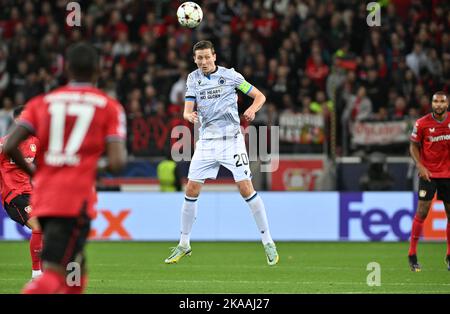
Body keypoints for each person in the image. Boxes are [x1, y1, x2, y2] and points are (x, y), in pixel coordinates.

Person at [3, 42, 127, 293]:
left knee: (76, 269)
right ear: (98, 70)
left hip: (44, 194)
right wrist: (85, 165)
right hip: (75, 199)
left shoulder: (42, 103)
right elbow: (117, 163)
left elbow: (10, 144)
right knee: (55, 274)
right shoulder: (109, 106)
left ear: (67, 69)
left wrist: (38, 172)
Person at [164, 40, 279, 266]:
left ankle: (268, 241)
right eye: (199, 58)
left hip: (231, 141)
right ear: (194, 59)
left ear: (214, 56)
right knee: (191, 187)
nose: (204, 62)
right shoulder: (192, 79)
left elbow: (260, 96)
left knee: (246, 188)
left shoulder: (231, 76)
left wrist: (252, 109)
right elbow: (188, 108)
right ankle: (184, 243)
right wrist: (188, 116)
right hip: (206, 142)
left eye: (207, 57)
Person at [408, 91, 450, 272]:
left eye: (442, 102)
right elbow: (413, 146)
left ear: (447, 105)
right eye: (436, 101)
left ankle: (449, 255)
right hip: (428, 174)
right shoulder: (422, 123)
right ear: (431, 104)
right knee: (422, 211)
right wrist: (420, 166)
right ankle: (412, 253)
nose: (439, 105)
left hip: (448, 175)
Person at [0, 105, 42, 280]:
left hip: (30, 193)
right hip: (13, 194)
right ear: (17, 120)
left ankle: (43, 270)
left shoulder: (35, 142)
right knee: (39, 226)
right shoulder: (4, 143)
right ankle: (37, 273)